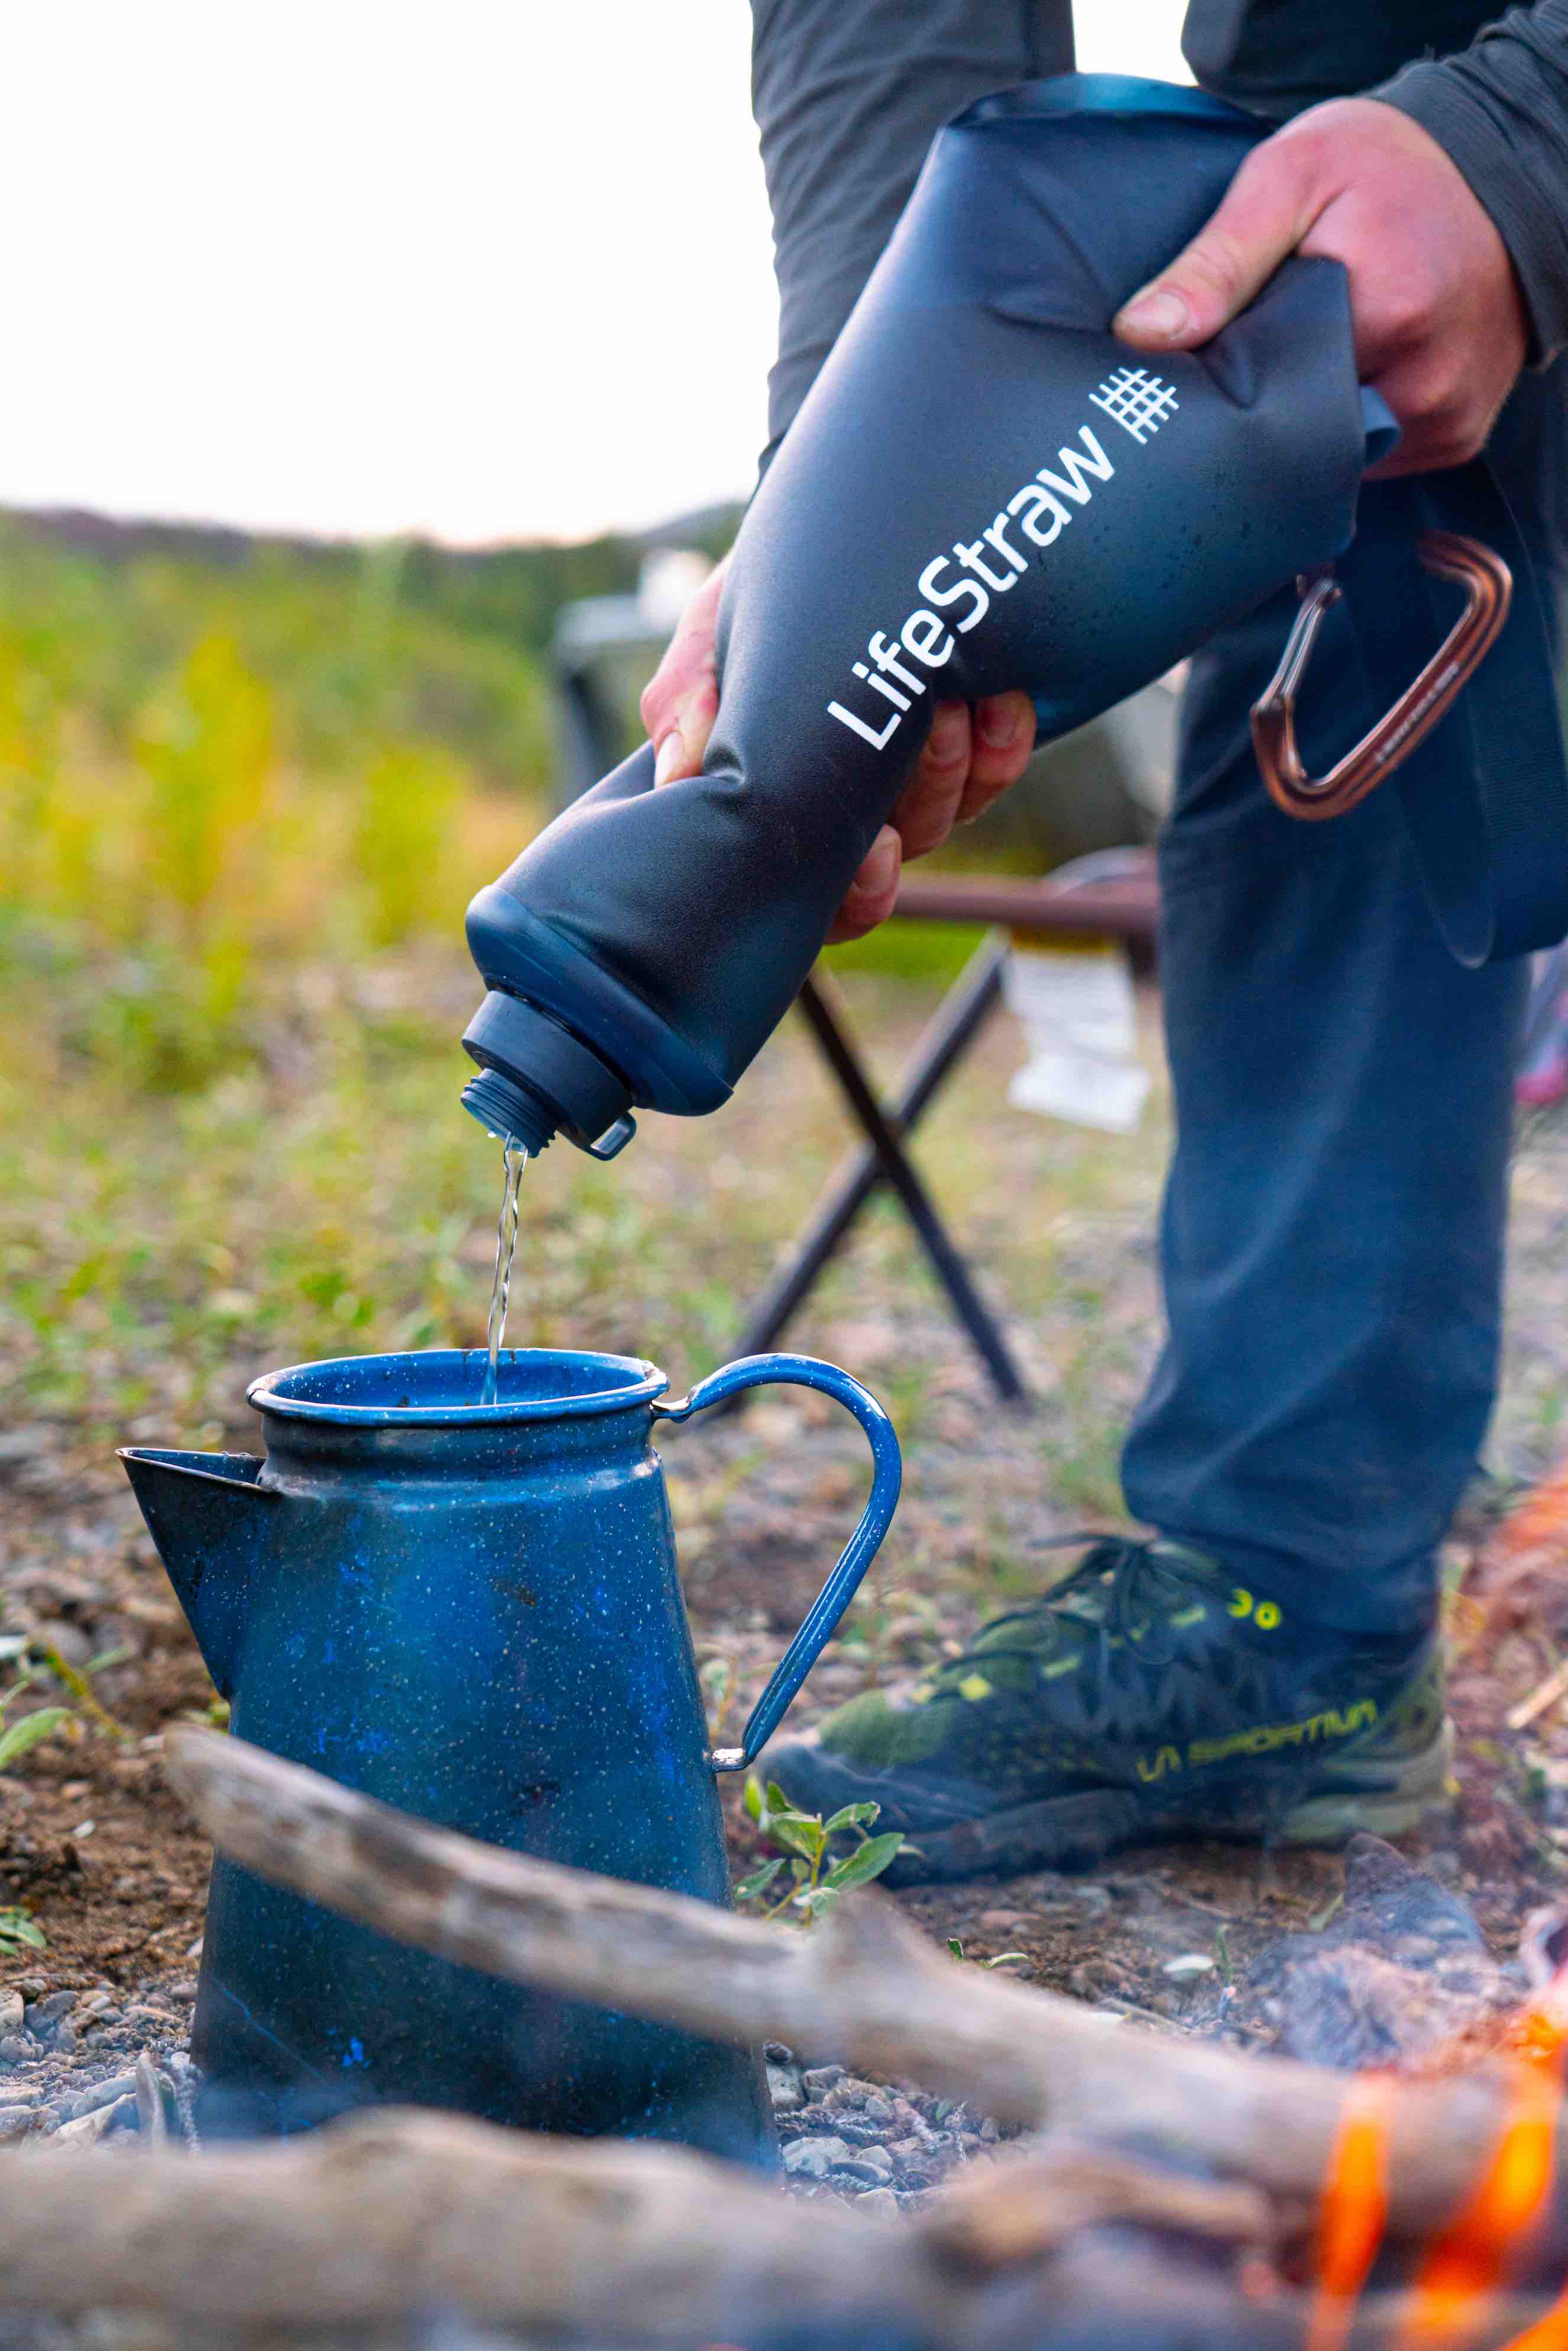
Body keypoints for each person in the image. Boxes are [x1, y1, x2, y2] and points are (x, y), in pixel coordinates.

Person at [642, 1, 1568, 1882]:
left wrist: (1523, 144)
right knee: (1332, 706)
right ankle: (1281, 1620)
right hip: (1337, 165)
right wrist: (861, 488)